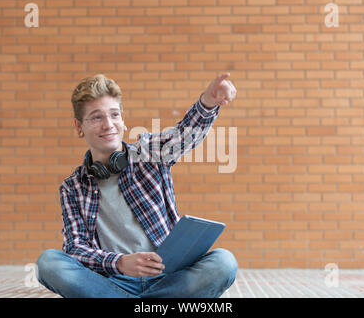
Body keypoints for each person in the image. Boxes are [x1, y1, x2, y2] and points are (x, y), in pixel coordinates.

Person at [36, 73, 238, 298]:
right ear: (79, 126)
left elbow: (183, 135)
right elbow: (75, 247)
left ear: (123, 119)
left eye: (114, 115)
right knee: (49, 263)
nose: (108, 125)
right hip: (113, 281)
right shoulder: (72, 187)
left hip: (168, 276)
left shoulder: (149, 153)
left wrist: (208, 101)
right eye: (96, 117)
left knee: (224, 262)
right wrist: (120, 263)